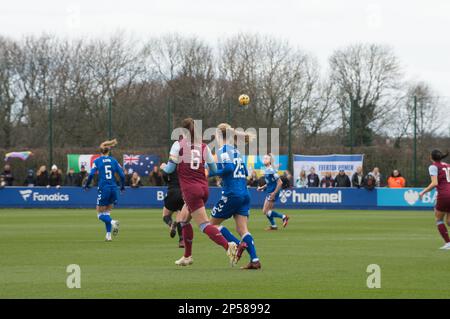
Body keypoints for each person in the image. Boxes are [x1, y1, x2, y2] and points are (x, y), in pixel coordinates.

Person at [161, 117, 238, 267]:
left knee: (204, 225)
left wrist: (164, 166)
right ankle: (187, 256)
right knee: (183, 220)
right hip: (203, 188)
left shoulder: (178, 145)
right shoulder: (204, 146)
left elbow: (170, 169)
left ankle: (228, 246)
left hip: (190, 190)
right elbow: (214, 170)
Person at [208, 123, 260, 270]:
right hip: (244, 193)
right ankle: (255, 260)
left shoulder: (223, 150)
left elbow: (229, 168)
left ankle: (238, 245)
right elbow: (245, 172)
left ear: (219, 135)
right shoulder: (236, 151)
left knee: (210, 225)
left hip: (232, 194)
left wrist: (211, 173)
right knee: (242, 229)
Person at [83, 139, 125, 242]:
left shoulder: (97, 161)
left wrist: (87, 185)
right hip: (113, 189)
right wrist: (122, 186)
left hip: (104, 188)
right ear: (108, 151)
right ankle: (108, 236)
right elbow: (122, 175)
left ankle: (113, 222)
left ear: (100, 151)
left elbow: (92, 174)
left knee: (100, 214)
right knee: (106, 213)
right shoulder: (114, 161)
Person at [419, 149, 450, 250]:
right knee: (449, 221)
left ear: (431, 157)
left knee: (439, 219)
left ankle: (448, 243)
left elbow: (435, 183)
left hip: (444, 194)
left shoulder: (433, 166)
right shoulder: (447, 165)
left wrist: (423, 192)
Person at [257, 153, 289, 231]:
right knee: (268, 211)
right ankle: (274, 226)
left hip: (273, 192)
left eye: (266, 158)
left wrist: (274, 193)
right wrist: (262, 187)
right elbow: (269, 183)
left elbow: (280, 182)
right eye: (264, 158)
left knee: (265, 211)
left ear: (270, 161)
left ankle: (284, 217)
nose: (264, 159)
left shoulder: (271, 170)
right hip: (270, 191)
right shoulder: (268, 169)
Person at [161, 167, 185, 248]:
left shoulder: (171, 164)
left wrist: (167, 181)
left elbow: (164, 174)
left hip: (172, 191)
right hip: (183, 193)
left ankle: (171, 224)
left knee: (165, 214)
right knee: (180, 218)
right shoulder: (185, 165)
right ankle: (181, 241)